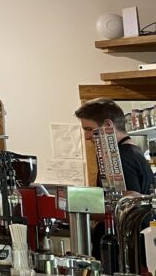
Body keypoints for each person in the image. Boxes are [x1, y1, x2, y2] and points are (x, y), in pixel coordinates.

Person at [74, 98, 154, 261]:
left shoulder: (121, 158)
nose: (87, 136)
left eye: (89, 129)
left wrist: (83, 210)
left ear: (108, 125)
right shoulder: (134, 152)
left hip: (122, 252)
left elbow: (127, 207)